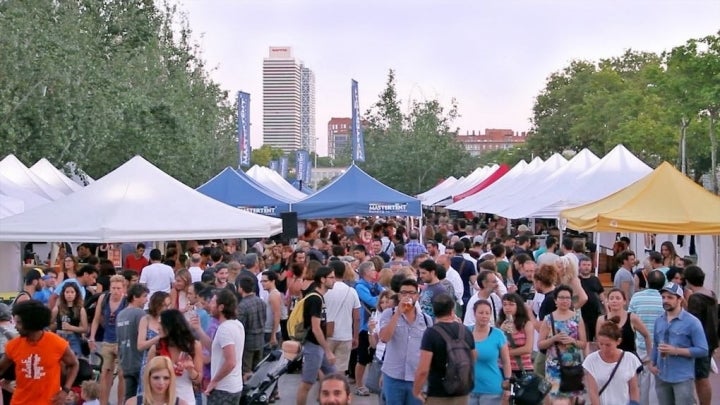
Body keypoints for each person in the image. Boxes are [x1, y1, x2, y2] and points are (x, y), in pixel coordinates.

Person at [0, 300, 79, 405]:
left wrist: (65, 390)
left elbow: (74, 364)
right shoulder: (13, 345)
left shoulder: (57, 343)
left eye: (19, 323)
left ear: (31, 323)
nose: (15, 327)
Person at [649, 282, 708, 405]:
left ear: (680, 299)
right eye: (663, 297)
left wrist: (675, 350)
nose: (666, 300)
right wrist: (652, 363)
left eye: (670, 297)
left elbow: (703, 350)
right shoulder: (659, 320)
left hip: (682, 377)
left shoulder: (692, 322)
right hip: (661, 375)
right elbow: (655, 343)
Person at [413, 293, 476, 404]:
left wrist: (416, 390)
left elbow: (423, 369)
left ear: (434, 310)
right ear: (452, 309)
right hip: (462, 391)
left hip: (438, 394)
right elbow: (473, 357)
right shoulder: (465, 331)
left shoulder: (431, 333)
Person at [378, 279, 432, 405]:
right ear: (398, 295)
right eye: (403, 293)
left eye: (411, 293)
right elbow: (384, 338)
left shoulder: (426, 320)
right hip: (393, 376)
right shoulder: (388, 314)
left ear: (417, 296)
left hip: (415, 378)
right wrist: (397, 313)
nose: (407, 296)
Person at [538, 284, 587, 402]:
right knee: (555, 399)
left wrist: (573, 341)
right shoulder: (548, 319)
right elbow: (540, 344)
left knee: (572, 399)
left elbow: (584, 343)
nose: (564, 301)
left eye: (567, 298)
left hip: (572, 367)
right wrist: (553, 339)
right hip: (553, 367)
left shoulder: (577, 318)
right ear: (555, 300)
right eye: (561, 298)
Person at [296, 266, 337, 405]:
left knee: (334, 378)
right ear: (322, 279)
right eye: (331, 277)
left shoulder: (319, 297)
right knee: (307, 383)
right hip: (313, 346)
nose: (334, 280)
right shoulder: (315, 299)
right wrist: (328, 350)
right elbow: (316, 328)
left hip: (318, 346)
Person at [147, 309, 202, 405]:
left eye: (161, 323)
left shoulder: (194, 346)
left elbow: (198, 380)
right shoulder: (156, 349)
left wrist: (190, 369)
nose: (158, 327)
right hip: (161, 401)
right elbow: (148, 377)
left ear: (171, 326)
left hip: (186, 399)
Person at [583, 318, 642, 405]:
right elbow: (593, 391)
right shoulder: (591, 360)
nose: (604, 348)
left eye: (608, 345)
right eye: (601, 344)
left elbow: (633, 388)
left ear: (618, 341)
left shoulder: (630, 359)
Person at [89, 274, 128, 405]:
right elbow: (96, 319)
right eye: (113, 288)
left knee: (122, 374)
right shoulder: (104, 298)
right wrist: (92, 337)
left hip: (121, 341)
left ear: (123, 289)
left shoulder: (126, 301)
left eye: (118, 288)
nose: (116, 291)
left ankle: (120, 402)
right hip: (107, 339)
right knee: (105, 373)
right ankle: (103, 402)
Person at [628, 269, 665, 405]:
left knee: (641, 383)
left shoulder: (637, 297)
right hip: (661, 347)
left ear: (647, 281)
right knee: (657, 384)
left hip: (641, 345)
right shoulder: (665, 298)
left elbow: (630, 319)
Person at [683, 265, 719, 405]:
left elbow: (692, 321)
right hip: (711, 338)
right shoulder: (711, 294)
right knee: (703, 375)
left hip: (700, 341)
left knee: (701, 377)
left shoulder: (695, 298)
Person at [206, 289, 245, 404]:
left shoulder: (225, 329)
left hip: (223, 389)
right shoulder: (237, 324)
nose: (210, 305)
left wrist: (214, 381)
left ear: (221, 307)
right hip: (235, 386)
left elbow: (231, 361)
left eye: (213, 302)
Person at [470, 300, 513, 404]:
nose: (484, 316)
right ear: (474, 313)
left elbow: (506, 362)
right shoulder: (465, 332)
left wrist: (507, 383)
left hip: (492, 389)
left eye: (487, 313)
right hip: (468, 388)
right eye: (481, 313)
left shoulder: (498, 334)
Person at [117, 284, 150, 401]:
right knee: (143, 397)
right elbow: (145, 336)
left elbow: (119, 340)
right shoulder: (140, 314)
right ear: (135, 297)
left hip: (126, 361)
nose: (146, 300)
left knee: (129, 397)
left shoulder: (120, 314)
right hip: (139, 361)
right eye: (144, 296)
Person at [595, 288, 652, 355]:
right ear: (607, 301)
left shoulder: (632, 317)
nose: (614, 301)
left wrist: (650, 356)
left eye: (618, 298)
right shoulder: (601, 319)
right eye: (611, 298)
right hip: (609, 358)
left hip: (629, 359)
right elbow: (598, 341)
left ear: (624, 301)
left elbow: (647, 335)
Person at [137, 291, 171, 395]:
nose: (167, 308)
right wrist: (158, 338)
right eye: (164, 305)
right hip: (149, 362)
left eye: (168, 305)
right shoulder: (146, 319)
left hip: (166, 362)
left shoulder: (169, 320)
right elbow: (140, 345)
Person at [498, 293, 535, 376]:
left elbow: (528, 348)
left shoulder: (526, 324)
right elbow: (496, 345)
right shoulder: (500, 324)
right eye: (505, 304)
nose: (507, 307)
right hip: (503, 368)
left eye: (511, 304)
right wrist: (501, 330)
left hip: (523, 368)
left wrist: (506, 353)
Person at [236, 276, 266, 378]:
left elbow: (240, 326)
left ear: (241, 288)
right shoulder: (261, 302)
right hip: (260, 339)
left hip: (248, 341)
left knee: (246, 371)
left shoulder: (242, 305)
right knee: (258, 369)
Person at [50, 282, 88, 357]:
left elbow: (84, 328)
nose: (69, 294)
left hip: (73, 337)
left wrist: (71, 328)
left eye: (72, 292)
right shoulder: (58, 308)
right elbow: (49, 322)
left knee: (75, 358)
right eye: (67, 292)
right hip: (59, 336)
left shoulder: (80, 309)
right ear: (63, 294)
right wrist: (55, 327)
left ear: (76, 294)